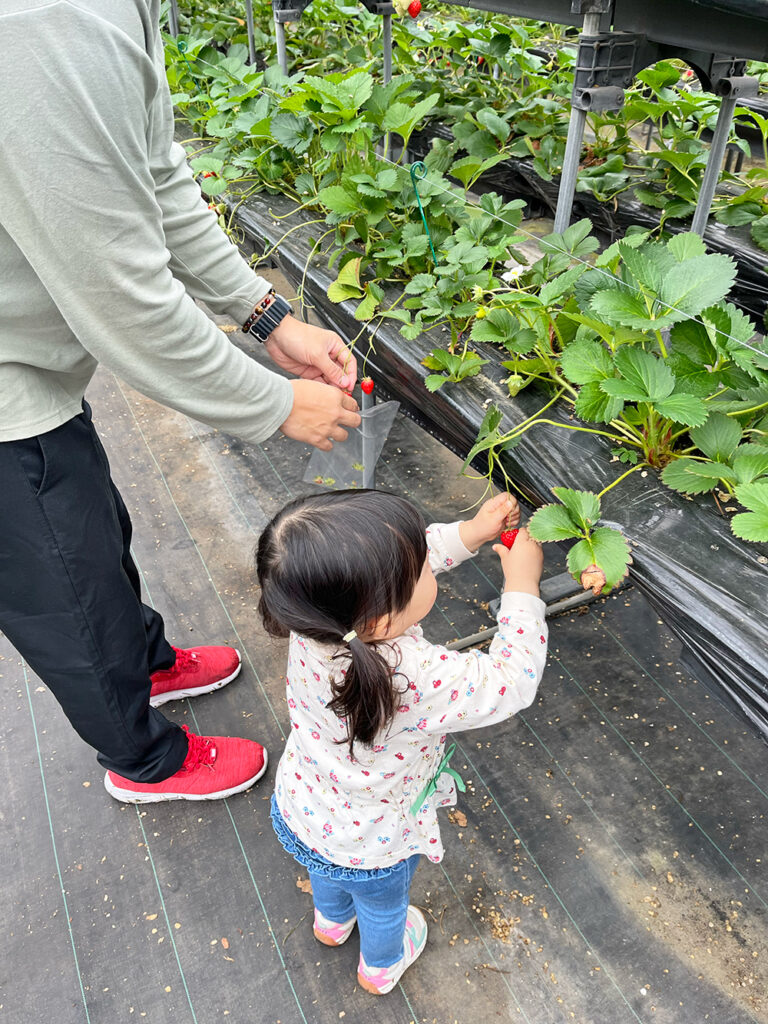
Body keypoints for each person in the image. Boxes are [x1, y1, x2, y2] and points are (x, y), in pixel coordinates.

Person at [0, 0, 360, 803]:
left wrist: (266, 317)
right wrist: (272, 404)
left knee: (92, 525)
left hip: (26, 358)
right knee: (62, 581)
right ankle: (143, 760)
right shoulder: (37, 23)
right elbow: (120, 296)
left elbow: (155, 176)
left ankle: (145, 664)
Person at [256, 489, 548, 994]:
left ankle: (330, 923)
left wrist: (471, 532)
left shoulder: (312, 620)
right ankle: (381, 965)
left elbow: (395, 560)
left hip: (307, 807)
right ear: (380, 619)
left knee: (326, 869)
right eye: (420, 570)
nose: (426, 563)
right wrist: (523, 588)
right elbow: (511, 681)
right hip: (375, 840)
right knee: (384, 904)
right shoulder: (413, 677)